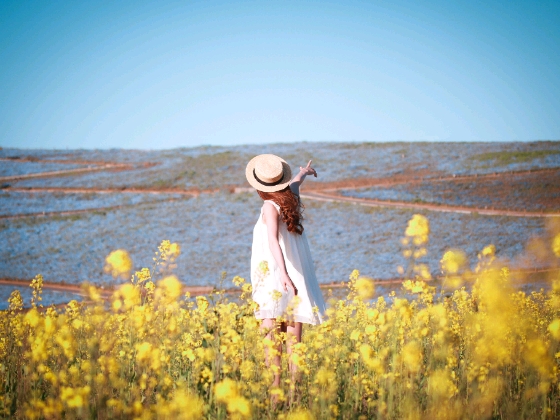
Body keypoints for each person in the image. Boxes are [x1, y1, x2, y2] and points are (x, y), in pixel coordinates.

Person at [245, 154, 327, 392]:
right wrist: (304, 172)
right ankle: (295, 399)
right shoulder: (291, 196)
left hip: (274, 277)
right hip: (297, 277)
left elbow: (273, 241)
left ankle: (275, 400)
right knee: (294, 343)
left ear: (260, 187)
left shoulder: (268, 206)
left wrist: (282, 274)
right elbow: (297, 181)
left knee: (272, 345)